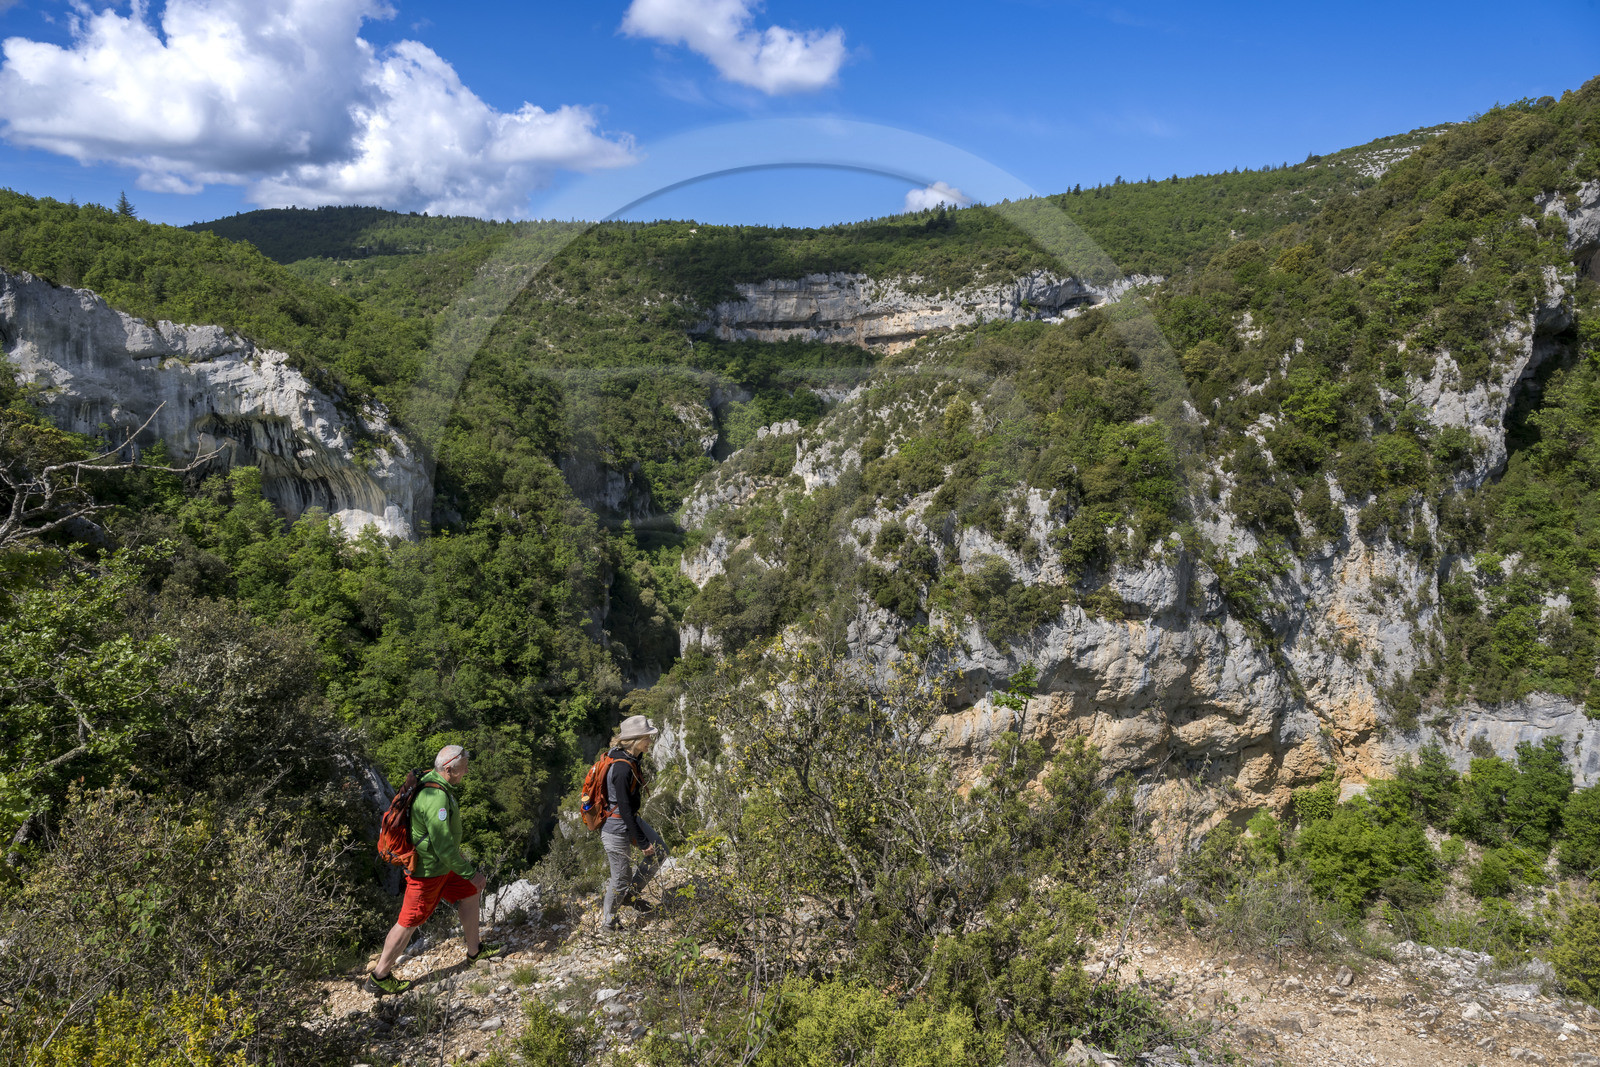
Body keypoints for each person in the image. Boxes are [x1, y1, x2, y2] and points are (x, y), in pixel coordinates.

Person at [367, 745, 504, 994]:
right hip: (428, 872)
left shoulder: (433, 778)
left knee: (471, 892)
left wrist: (466, 874)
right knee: (408, 922)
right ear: (449, 769)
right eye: (463, 769)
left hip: (444, 867)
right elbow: (442, 847)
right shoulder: (436, 798)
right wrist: (471, 872)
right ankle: (379, 977)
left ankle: (474, 951)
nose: (466, 772)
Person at [601, 715, 668, 932]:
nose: (650, 740)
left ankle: (631, 895)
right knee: (620, 878)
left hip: (629, 820)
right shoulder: (622, 769)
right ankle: (608, 923)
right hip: (616, 827)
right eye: (647, 737)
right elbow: (624, 808)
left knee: (660, 852)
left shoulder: (630, 758)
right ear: (635, 739)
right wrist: (641, 841)